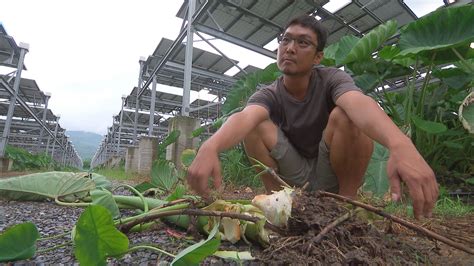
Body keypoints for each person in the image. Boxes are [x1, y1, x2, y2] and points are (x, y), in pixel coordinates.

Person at [186, 14, 438, 219]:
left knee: (347, 114)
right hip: (292, 173)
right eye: (285, 40)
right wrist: (210, 146)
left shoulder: (331, 78)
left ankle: (345, 207)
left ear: (318, 56)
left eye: (302, 43)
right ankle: (280, 206)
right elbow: (244, 117)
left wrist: (400, 144)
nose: (290, 48)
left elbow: (359, 103)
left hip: (330, 171)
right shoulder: (269, 93)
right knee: (254, 124)